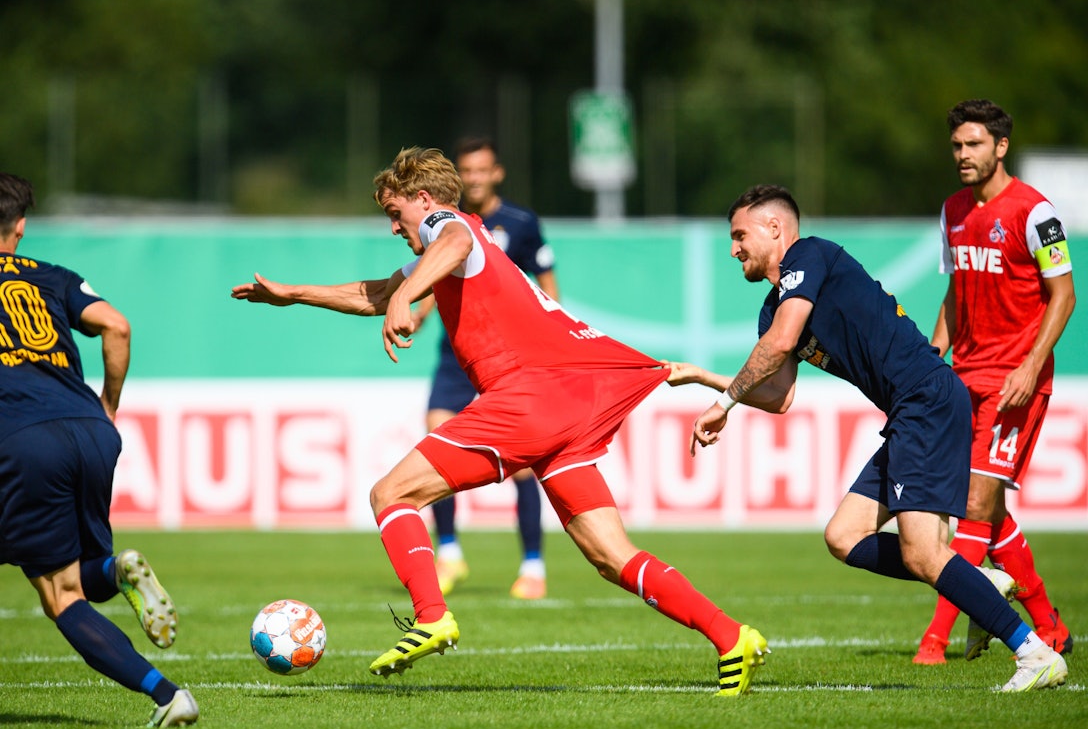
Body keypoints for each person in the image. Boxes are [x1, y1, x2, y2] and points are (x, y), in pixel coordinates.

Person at [231, 146, 769, 696]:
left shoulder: (449, 226)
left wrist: (407, 296)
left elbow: (452, 243)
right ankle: (732, 637)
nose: (393, 226)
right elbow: (377, 293)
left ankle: (432, 615)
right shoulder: (448, 244)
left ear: (423, 199)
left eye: (395, 213)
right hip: (566, 405)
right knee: (611, 557)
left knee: (391, 494)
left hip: (527, 398)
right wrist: (293, 294)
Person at [668, 183, 1066, 692]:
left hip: (926, 398)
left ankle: (1034, 653)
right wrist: (704, 378)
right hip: (909, 410)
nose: (733, 249)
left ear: (774, 227)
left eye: (740, 235)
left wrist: (722, 404)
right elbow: (779, 396)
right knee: (843, 536)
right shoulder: (774, 307)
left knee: (923, 553)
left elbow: (781, 343)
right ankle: (978, 582)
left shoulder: (809, 255)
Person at [0, 172, 198, 727]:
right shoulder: (52, 276)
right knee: (78, 574)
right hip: (90, 430)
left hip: (21, 439)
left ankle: (168, 696)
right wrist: (107, 407)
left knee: (60, 596)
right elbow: (117, 326)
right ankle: (114, 570)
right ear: (20, 226)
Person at [913, 99, 1076, 665]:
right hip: (964, 378)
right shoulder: (952, 210)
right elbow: (955, 293)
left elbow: (1064, 295)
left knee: (974, 504)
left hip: (1014, 383)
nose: (963, 154)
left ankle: (935, 639)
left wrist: (1030, 366)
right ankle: (1049, 625)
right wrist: (933, 357)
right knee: (986, 509)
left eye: (974, 144)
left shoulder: (1035, 212)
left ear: (1001, 147)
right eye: (957, 145)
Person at [411, 137, 557, 600]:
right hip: (457, 353)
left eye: (481, 170)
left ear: (497, 173)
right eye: (467, 170)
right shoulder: (446, 221)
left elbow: (546, 283)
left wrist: (550, 336)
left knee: (522, 466)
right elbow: (439, 274)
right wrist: (420, 311)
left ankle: (532, 567)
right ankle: (450, 554)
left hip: (508, 356)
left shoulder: (521, 223)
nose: (474, 178)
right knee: (436, 439)